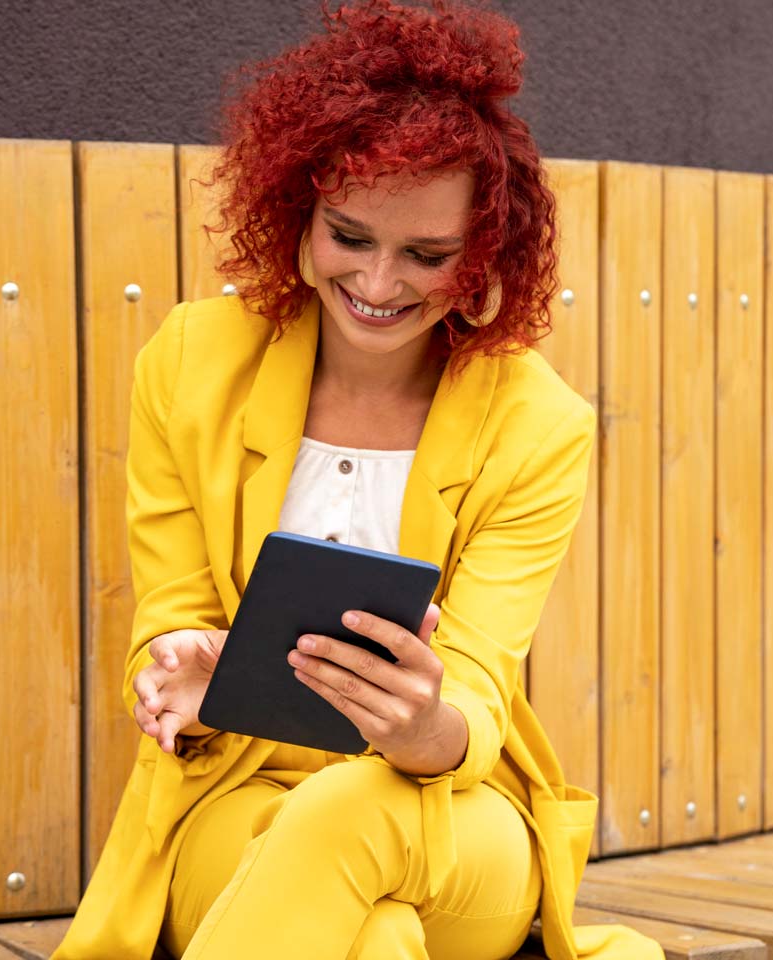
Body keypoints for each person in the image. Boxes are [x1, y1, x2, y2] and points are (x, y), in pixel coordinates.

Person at [52, 2, 664, 958]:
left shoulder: (539, 424)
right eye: (350, 236)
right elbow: (167, 618)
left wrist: (425, 727)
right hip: (237, 793)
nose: (380, 284)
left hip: (448, 812)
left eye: (427, 255)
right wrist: (184, 672)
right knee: (372, 940)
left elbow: (479, 689)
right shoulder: (190, 361)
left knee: (351, 809)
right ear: (297, 213)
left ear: (482, 260)